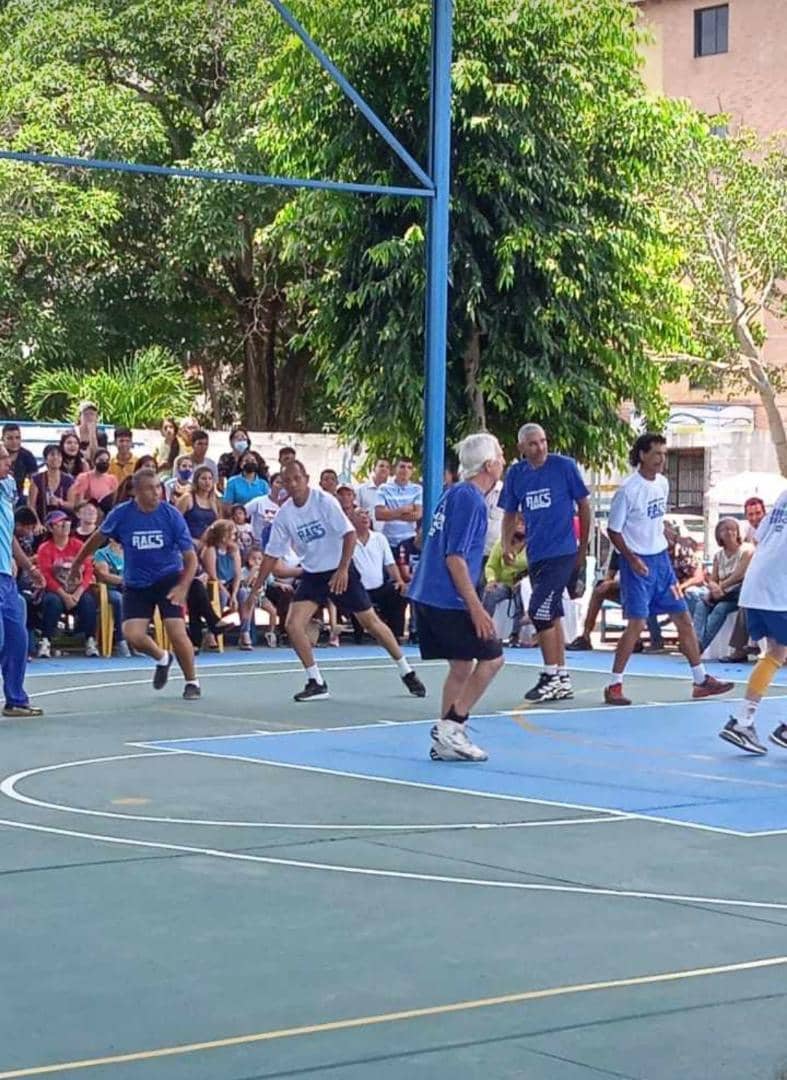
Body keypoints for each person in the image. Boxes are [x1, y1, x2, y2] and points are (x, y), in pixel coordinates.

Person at [249, 459, 426, 701]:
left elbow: (349, 534)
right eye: (287, 480)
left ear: (306, 479)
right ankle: (316, 681)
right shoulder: (285, 515)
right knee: (292, 625)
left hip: (339, 568)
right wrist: (255, 589)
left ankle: (407, 671)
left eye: (296, 478)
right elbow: (271, 555)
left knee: (371, 623)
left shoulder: (324, 501)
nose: (292, 484)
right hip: (313, 574)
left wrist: (343, 569)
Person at [602, 433, 733, 706]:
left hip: (661, 563)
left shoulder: (662, 484)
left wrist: (675, 538)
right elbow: (613, 531)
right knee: (636, 624)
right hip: (637, 564)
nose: (662, 459)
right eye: (657, 454)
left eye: (664, 453)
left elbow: (654, 521)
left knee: (683, 617)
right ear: (642, 455)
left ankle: (700, 681)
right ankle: (614, 684)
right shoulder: (628, 490)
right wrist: (632, 559)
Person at [408, 433, 506, 762]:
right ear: (489, 464)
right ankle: (452, 726)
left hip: (429, 594)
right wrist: (477, 608)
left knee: (463, 665)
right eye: (501, 456)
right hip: (447, 598)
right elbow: (455, 558)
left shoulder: (455, 494)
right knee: (493, 657)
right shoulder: (471, 499)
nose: (504, 461)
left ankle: (446, 739)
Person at [67, 469, 201, 699]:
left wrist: (183, 586)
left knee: (176, 632)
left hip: (168, 578)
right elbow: (96, 539)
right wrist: (76, 564)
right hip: (136, 582)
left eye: (159, 487)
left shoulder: (171, 515)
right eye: (150, 488)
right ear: (136, 491)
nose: (156, 492)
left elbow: (191, 557)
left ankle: (192, 682)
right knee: (133, 635)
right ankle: (162, 657)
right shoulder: (122, 514)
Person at [499, 423, 590, 702]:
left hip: (562, 551)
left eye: (543, 441)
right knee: (552, 614)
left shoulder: (564, 467)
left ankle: (550, 676)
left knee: (539, 610)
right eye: (533, 443)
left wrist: (582, 549)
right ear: (522, 448)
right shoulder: (516, 474)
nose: (540, 448)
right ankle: (562, 677)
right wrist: (506, 546)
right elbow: (509, 514)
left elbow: (585, 506)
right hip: (537, 554)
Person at [719, 489, 787, 754]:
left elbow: (759, 538)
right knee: (775, 653)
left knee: (775, 653)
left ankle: (743, 722)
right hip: (777, 591)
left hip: (759, 583)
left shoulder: (784, 495)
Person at [0, 445, 45, 716]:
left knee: (17, 639)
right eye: (3, 458)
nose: (9, 462)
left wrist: (30, 567)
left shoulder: (6, 493)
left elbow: (10, 537)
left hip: (7, 578)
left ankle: (16, 699)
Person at [36, 510, 99, 658]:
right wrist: (64, 595)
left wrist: (77, 594)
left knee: (88, 601)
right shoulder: (45, 548)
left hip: (77, 589)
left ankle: (90, 639)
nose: (65, 525)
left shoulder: (78, 545)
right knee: (53, 602)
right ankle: (46, 640)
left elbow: (89, 570)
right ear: (51, 528)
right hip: (56, 590)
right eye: (60, 522)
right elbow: (46, 576)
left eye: (66, 521)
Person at [692, 517, 752, 652]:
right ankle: (696, 642)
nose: (729, 532)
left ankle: (698, 647)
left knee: (720, 609)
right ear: (719, 534)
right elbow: (713, 578)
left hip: (738, 594)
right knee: (701, 605)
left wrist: (720, 587)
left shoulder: (746, 551)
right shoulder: (718, 556)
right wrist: (713, 587)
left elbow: (739, 575)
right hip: (721, 594)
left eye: (732, 529)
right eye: (725, 530)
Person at [351, 507, 407, 641]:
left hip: (380, 587)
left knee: (399, 593)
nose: (364, 517)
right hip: (358, 588)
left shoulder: (380, 538)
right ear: (351, 519)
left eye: (366, 514)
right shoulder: (347, 539)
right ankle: (358, 634)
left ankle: (396, 634)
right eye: (360, 514)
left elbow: (390, 563)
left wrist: (399, 581)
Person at [482, 525, 529, 648]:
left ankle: (515, 635)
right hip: (504, 584)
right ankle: (485, 631)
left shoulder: (533, 547)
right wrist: (491, 580)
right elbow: (490, 566)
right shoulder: (501, 544)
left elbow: (536, 568)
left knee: (521, 593)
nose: (520, 526)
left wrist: (524, 581)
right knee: (490, 593)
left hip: (524, 585)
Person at [375, 458, 422, 565]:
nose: (405, 470)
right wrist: (403, 510)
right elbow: (379, 515)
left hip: (409, 541)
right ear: (395, 469)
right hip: (388, 541)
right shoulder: (384, 488)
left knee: (407, 576)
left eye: (409, 467)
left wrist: (390, 513)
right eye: (402, 466)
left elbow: (417, 515)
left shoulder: (417, 489)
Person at [93, 538, 131, 657]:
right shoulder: (102, 553)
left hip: (131, 588)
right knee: (119, 599)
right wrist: (124, 581)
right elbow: (104, 576)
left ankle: (137, 641)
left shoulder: (131, 552)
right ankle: (121, 640)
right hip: (110, 589)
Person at [28, 443, 74, 522]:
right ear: (45, 459)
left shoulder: (69, 480)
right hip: (42, 520)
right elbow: (31, 505)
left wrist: (61, 502)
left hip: (62, 522)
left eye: (59, 455)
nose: (56, 457)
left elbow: (72, 505)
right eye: (52, 455)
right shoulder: (37, 479)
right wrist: (37, 523)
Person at [67, 447, 118, 512]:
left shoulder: (112, 479)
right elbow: (78, 504)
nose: (104, 463)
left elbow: (115, 502)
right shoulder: (84, 477)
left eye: (107, 460)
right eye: (101, 460)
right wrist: (92, 502)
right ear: (94, 461)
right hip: (88, 513)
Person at [2, 423, 38, 500]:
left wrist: (24, 494)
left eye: (17, 438)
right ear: (3, 439)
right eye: (10, 438)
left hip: (22, 495)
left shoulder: (27, 456)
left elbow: (31, 479)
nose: (14, 441)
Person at [356, 459, 389, 527]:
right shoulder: (361, 490)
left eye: (387, 467)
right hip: (369, 533)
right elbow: (356, 512)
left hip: (390, 534)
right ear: (374, 469)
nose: (384, 469)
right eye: (381, 466)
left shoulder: (393, 491)